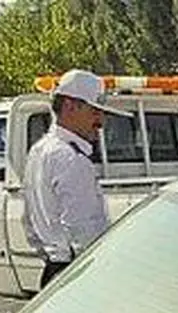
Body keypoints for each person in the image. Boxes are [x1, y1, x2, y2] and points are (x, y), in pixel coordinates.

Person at [24, 69, 125, 288]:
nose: (100, 120)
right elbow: (83, 230)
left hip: (54, 269)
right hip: (77, 273)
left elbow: (30, 223)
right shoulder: (71, 159)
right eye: (95, 111)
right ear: (70, 106)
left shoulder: (39, 150)